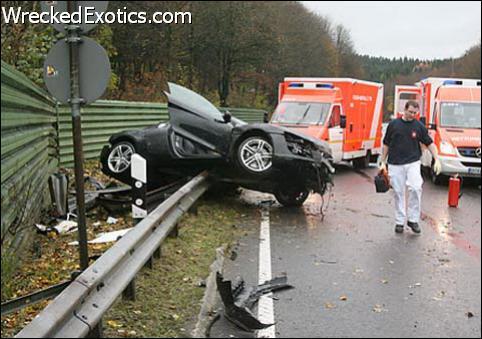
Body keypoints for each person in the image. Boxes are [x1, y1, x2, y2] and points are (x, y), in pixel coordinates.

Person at [380, 100, 442, 234]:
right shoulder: (393, 125)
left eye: (415, 113)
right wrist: (382, 161)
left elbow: (430, 143)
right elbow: (386, 144)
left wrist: (436, 159)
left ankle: (413, 219)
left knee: (415, 187)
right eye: (410, 112)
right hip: (395, 163)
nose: (412, 115)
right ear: (405, 109)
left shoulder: (419, 126)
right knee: (398, 192)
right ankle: (399, 221)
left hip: (413, 162)